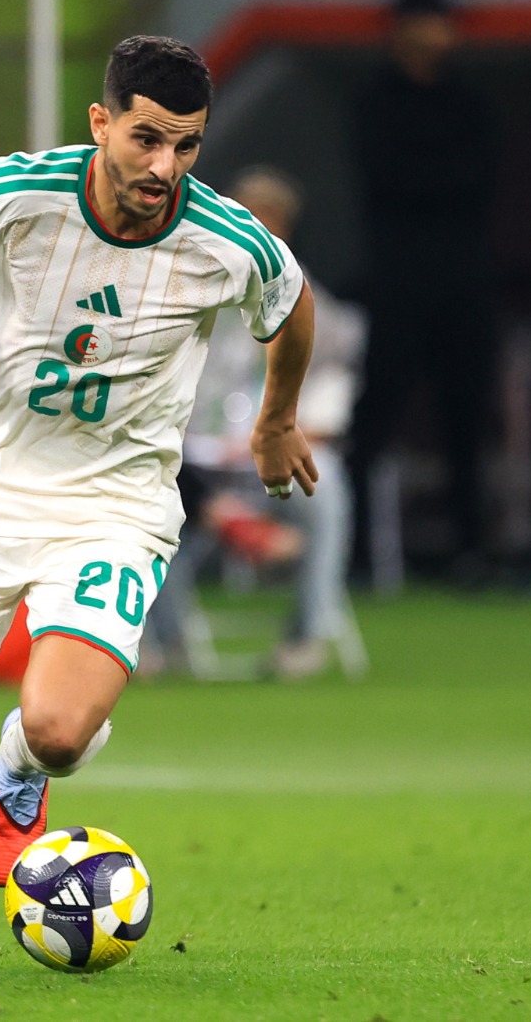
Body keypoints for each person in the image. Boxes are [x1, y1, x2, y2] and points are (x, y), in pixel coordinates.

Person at [0, 35, 318, 966]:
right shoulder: (20, 193)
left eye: (187, 146)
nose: (166, 168)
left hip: (114, 506)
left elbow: (293, 304)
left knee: (61, 731)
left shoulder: (227, 240)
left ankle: (21, 770)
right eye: (147, 139)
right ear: (101, 123)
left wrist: (276, 420)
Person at [165, 166, 368, 680]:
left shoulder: (318, 309)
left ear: (284, 228)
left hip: (271, 456)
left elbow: (331, 401)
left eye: (267, 220)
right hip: (195, 456)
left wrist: (280, 433)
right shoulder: (185, 294)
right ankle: (163, 643)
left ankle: (306, 636)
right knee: (152, 487)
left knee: (326, 486)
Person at [349, 0, 498, 582]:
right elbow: (387, 181)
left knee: (467, 421)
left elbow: (479, 181)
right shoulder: (375, 102)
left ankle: (472, 550)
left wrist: (429, 184)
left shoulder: (471, 101)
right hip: (398, 284)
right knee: (374, 418)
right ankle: (356, 552)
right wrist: (441, 183)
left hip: (462, 284)